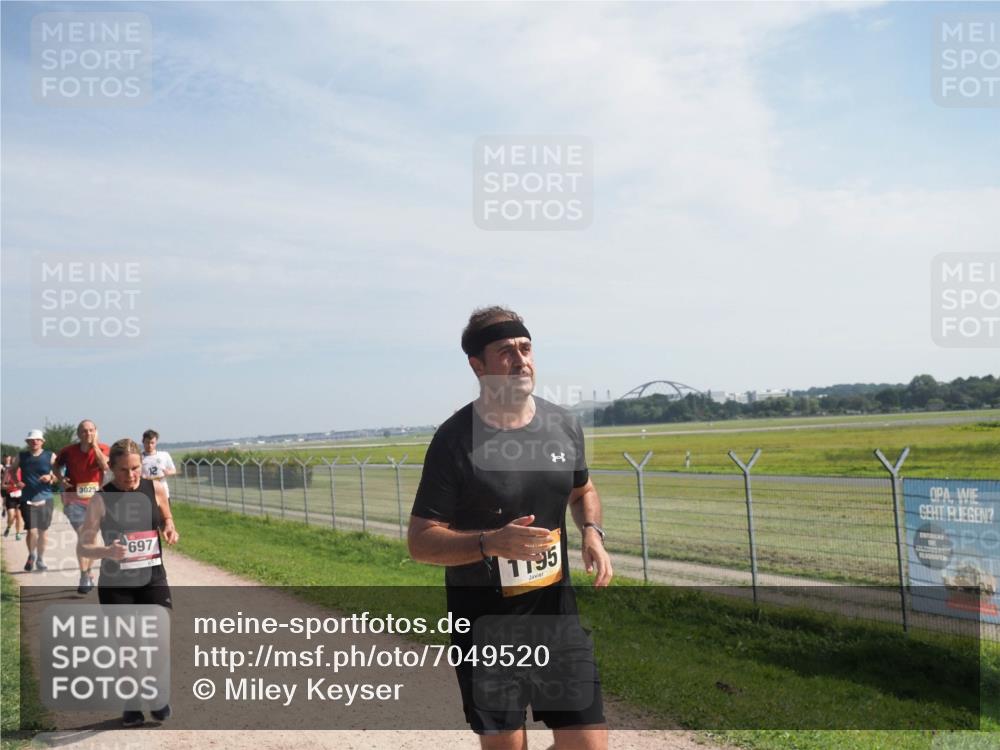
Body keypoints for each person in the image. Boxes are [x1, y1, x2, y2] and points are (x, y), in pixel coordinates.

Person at [408, 307, 613, 750]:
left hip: (556, 618)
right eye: (506, 351)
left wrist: (592, 532)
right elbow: (421, 541)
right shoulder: (454, 440)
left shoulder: (563, 425)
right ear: (477, 366)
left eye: (526, 347)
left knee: (590, 746)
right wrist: (490, 543)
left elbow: (583, 491)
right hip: (485, 625)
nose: (521, 360)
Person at [77, 437, 178, 727]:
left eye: (136, 468)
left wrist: (170, 528)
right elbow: (83, 547)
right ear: (111, 468)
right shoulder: (100, 499)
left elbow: (166, 518)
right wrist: (107, 551)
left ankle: (156, 694)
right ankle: (132, 704)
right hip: (117, 584)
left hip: (152, 577)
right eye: (124, 470)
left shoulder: (154, 487)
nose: (132, 475)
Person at [53, 420, 110, 594]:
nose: (88, 434)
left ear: (96, 432)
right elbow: (56, 465)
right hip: (74, 499)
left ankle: (87, 572)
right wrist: (60, 479)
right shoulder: (68, 451)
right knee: (83, 535)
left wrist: (95, 447)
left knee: (91, 539)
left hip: (97, 501)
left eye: (91, 430)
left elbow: (105, 465)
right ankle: (84, 575)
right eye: (84, 431)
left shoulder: (104, 448)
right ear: (78, 434)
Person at [9, 430, 57, 571]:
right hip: (27, 498)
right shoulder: (21, 456)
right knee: (31, 530)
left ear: (42, 441)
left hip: (46, 498)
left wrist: (51, 478)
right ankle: (31, 555)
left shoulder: (50, 455)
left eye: (37, 439)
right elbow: (11, 470)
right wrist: (17, 481)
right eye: (31, 440)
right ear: (27, 442)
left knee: (43, 531)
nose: (34, 442)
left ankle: (41, 559)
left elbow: (59, 472)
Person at [140, 430, 176, 500]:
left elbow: (173, 470)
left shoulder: (164, 455)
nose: (150, 445)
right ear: (143, 442)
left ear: (156, 442)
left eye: (152, 443)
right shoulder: (139, 457)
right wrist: (141, 477)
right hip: (146, 493)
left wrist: (168, 472)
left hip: (163, 492)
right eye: (147, 442)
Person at [2, 455, 24, 540]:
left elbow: (26, 483)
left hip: (20, 496)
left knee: (18, 516)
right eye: (14, 462)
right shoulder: (8, 472)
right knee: (11, 515)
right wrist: (12, 485)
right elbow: (2, 486)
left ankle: (18, 533)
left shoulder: (22, 471)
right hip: (10, 496)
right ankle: (8, 527)